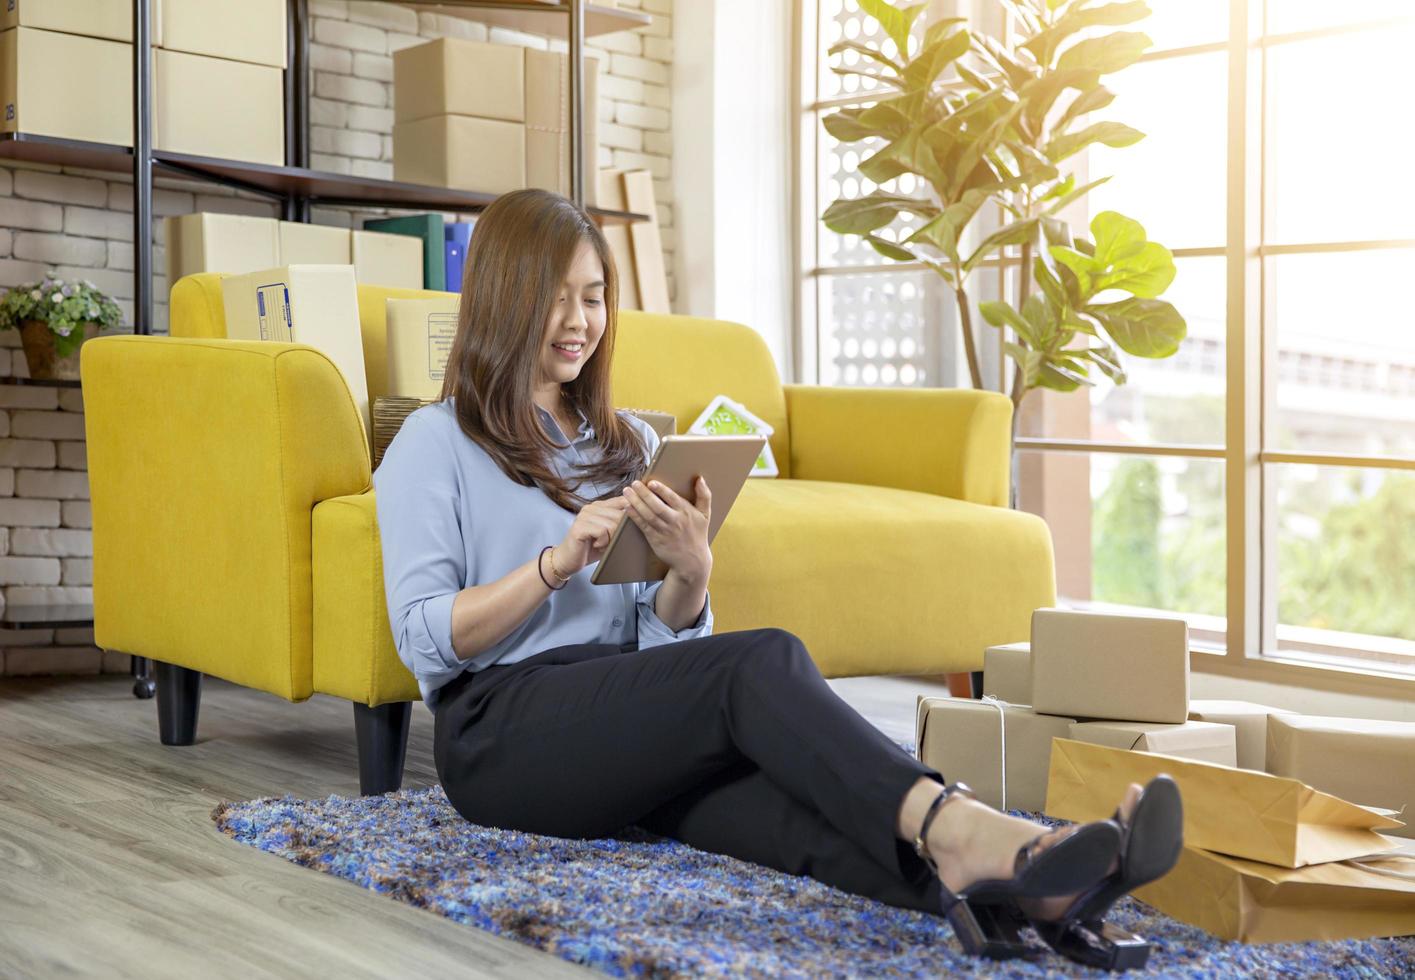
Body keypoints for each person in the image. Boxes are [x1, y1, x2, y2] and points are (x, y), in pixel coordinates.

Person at [374, 189, 1179, 963]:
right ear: (504, 298)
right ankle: (961, 823)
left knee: (787, 808)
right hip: (498, 732)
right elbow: (426, 643)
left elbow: (654, 646)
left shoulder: (624, 445)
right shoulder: (433, 441)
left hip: (611, 719)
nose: (580, 321)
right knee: (759, 661)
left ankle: (1025, 893)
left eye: (594, 297)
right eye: (558, 298)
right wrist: (553, 567)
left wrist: (690, 570)